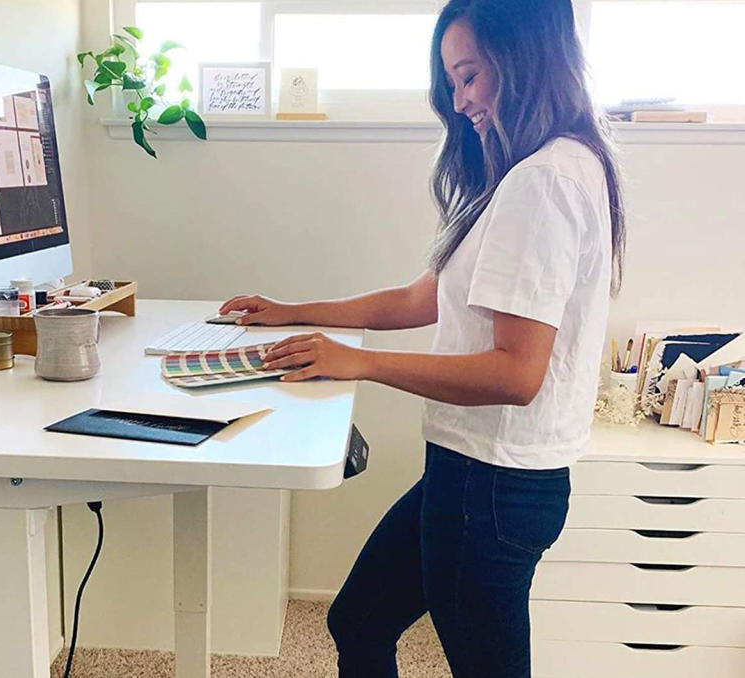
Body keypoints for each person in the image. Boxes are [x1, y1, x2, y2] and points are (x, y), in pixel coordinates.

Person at [218, 0, 625, 676]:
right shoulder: (529, 172)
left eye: (471, 76)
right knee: (358, 620)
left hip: (490, 487)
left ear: (525, 60)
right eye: (452, 82)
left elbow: (515, 374)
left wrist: (360, 364)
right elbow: (422, 297)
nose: (461, 99)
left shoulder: (544, 180)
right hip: (472, 475)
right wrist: (296, 312)